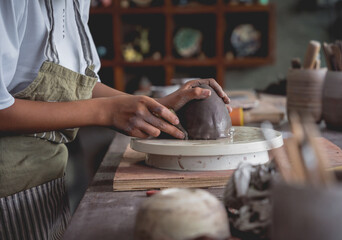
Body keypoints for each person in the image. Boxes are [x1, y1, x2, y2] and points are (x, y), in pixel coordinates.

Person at [0, 0, 230, 239]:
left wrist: (152, 107)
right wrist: (106, 112)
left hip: (46, 179)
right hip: (7, 186)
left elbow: (79, 86)